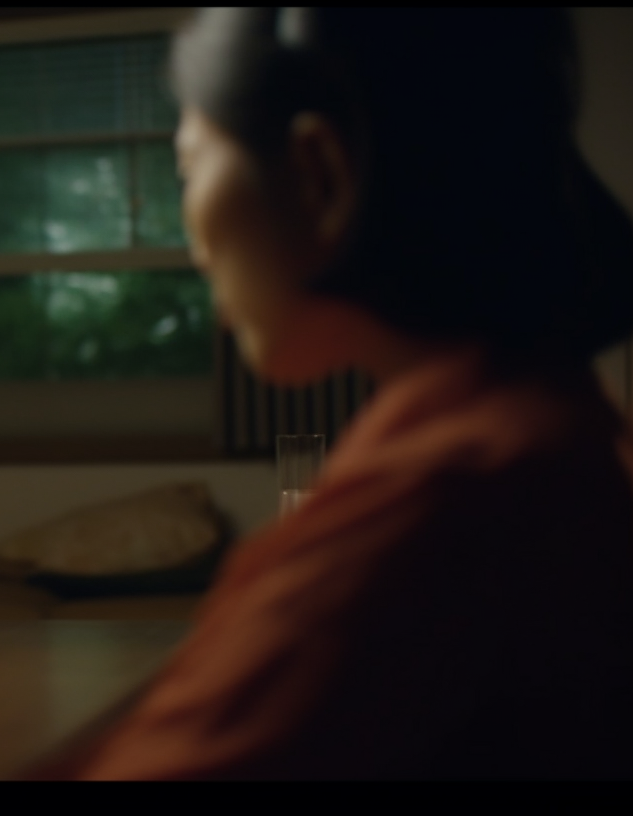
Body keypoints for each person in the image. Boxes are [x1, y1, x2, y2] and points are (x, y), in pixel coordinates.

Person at [46, 9, 633, 779]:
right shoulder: (542, 427)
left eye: (191, 171)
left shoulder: (453, 499)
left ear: (317, 175)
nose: (193, 244)